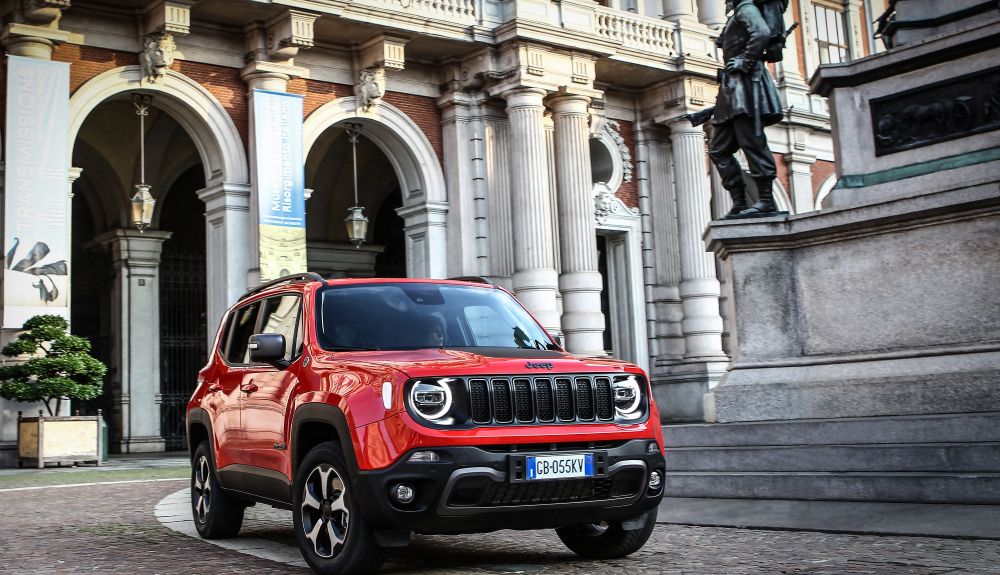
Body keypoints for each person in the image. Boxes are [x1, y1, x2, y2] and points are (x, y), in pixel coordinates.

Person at [692, 0, 789, 218]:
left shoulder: (746, 8)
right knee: (719, 150)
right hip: (733, 90)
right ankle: (740, 203)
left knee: (752, 143)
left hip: (746, 87)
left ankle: (765, 201)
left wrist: (745, 62)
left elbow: (762, 32)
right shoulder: (737, 14)